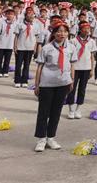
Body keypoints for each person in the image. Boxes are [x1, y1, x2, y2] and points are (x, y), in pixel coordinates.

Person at [33, 21, 77, 152]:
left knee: (56, 112)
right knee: (43, 111)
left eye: (64, 31)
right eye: (58, 31)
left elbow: (72, 65)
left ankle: (51, 137)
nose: (61, 34)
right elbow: (40, 66)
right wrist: (37, 84)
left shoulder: (71, 48)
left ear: (68, 33)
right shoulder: (46, 48)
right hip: (47, 83)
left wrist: (72, 81)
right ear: (53, 33)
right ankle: (41, 138)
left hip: (63, 83)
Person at [66, 21, 96, 119]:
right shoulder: (73, 41)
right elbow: (69, 56)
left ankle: (78, 109)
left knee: (82, 89)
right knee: (72, 89)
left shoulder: (91, 42)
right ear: (80, 30)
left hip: (86, 68)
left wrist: (92, 69)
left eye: (89, 29)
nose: (87, 30)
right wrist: (70, 69)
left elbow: (92, 56)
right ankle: (71, 109)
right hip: (75, 68)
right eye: (85, 28)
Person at [14, 8, 41, 88]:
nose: (31, 16)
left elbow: (36, 38)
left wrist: (35, 48)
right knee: (18, 65)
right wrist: (15, 46)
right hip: (20, 47)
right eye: (29, 14)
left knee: (27, 65)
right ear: (25, 15)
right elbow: (16, 36)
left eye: (32, 15)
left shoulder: (36, 25)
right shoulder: (20, 24)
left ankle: (24, 80)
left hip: (30, 48)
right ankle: (17, 80)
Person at [0, 9, 16, 78]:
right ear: (6, 15)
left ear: (14, 15)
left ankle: (5, 71)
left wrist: (15, 45)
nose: (10, 15)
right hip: (1, 43)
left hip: (10, 44)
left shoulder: (16, 24)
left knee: (7, 59)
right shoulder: (2, 22)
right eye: (8, 14)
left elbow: (16, 35)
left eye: (12, 14)